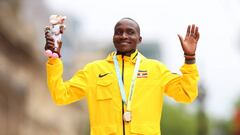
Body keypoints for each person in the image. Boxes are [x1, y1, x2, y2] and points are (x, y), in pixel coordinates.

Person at [44, 17, 200, 135]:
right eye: (118, 32)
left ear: (139, 39)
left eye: (130, 32)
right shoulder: (93, 70)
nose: (124, 36)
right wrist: (54, 60)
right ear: (113, 38)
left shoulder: (156, 69)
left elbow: (186, 94)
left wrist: (190, 58)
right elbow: (60, 95)